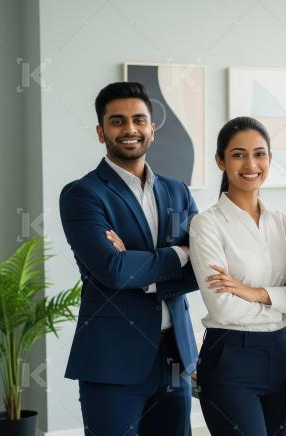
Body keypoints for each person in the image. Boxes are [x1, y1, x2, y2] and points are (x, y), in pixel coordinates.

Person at [59, 81, 199, 435]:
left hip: (173, 357)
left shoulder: (177, 191)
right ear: (101, 131)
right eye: (117, 121)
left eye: (139, 120)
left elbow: (203, 268)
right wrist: (180, 252)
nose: (130, 130)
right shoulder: (82, 195)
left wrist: (141, 264)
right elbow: (113, 270)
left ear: (152, 128)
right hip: (112, 361)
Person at [188, 116, 286, 435]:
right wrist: (284, 294)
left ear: (270, 159)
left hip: (282, 354)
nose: (251, 163)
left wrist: (253, 292)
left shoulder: (282, 223)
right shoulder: (207, 225)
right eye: (238, 154)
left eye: (259, 154)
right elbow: (224, 308)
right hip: (231, 358)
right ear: (221, 160)